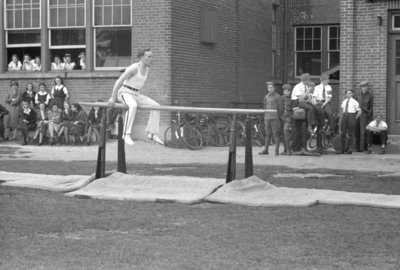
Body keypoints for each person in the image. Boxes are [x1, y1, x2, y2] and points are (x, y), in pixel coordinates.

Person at [107, 48, 163, 145]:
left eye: (152, 56)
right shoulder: (134, 68)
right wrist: (113, 97)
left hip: (136, 94)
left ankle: (152, 133)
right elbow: (119, 81)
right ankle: (126, 134)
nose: (151, 59)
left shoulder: (147, 69)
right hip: (125, 92)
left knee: (156, 105)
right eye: (149, 56)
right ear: (142, 57)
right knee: (132, 106)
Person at [259, 81, 283, 156]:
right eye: (269, 87)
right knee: (267, 134)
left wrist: (279, 116)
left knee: (276, 134)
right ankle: (266, 150)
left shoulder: (278, 96)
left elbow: (280, 107)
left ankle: (276, 151)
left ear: (274, 88)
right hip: (267, 117)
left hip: (275, 118)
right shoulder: (266, 96)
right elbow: (265, 106)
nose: (270, 89)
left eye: (271, 87)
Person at [338, 89, 361, 154]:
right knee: (343, 133)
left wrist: (355, 118)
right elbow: (342, 110)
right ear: (345, 95)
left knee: (351, 133)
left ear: (352, 94)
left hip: (351, 116)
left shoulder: (355, 102)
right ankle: (342, 149)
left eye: (350, 93)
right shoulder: (344, 101)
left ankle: (350, 149)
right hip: (345, 116)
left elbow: (359, 111)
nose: (348, 94)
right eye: (347, 93)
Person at [355, 81, 374, 152]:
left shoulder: (370, 95)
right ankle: (356, 148)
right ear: (361, 88)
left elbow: (371, 106)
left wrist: (369, 113)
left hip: (365, 114)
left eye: (366, 87)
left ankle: (362, 148)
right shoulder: (357, 95)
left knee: (363, 131)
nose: (365, 88)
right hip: (357, 114)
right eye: (363, 87)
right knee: (356, 131)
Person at [280, 84, 293, 155]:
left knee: (286, 132)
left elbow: (293, 109)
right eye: (284, 90)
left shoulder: (292, 99)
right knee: (283, 134)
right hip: (282, 118)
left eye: (287, 91)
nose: (285, 92)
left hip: (288, 118)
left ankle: (288, 150)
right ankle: (285, 150)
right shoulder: (281, 98)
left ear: (290, 91)